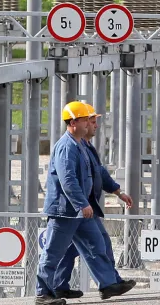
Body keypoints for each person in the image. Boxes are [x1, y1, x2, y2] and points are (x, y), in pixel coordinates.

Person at [35, 101, 135, 305]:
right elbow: (68, 180)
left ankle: (107, 284)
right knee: (54, 251)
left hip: (82, 211)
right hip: (66, 211)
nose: (92, 125)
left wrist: (117, 191)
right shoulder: (66, 147)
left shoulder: (82, 144)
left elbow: (99, 172)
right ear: (73, 122)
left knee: (98, 244)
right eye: (87, 120)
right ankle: (43, 294)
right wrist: (81, 203)